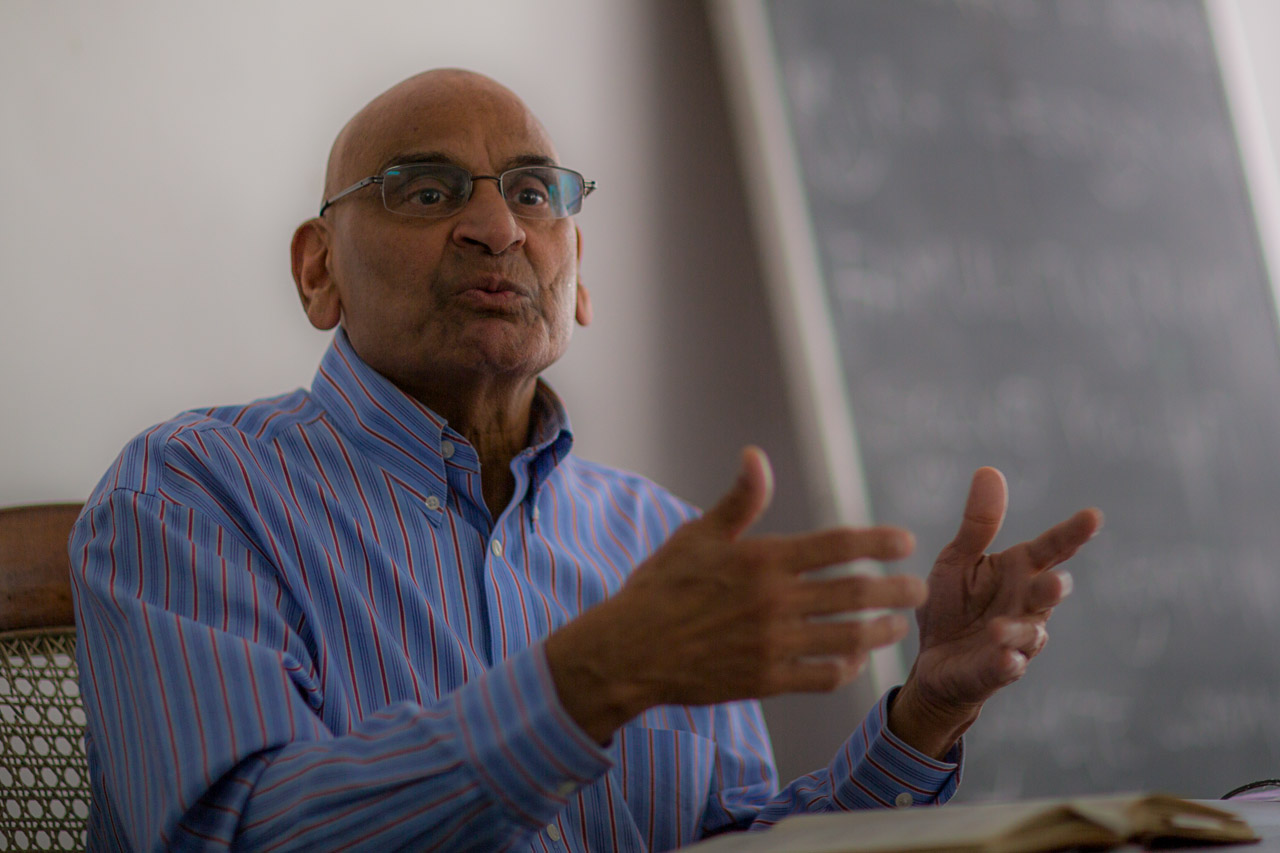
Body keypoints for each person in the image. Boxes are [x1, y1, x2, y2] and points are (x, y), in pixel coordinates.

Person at [69, 68, 1102, 851]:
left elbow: (725, 845)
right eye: (424, 193)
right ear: (317, 269)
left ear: (579, 277)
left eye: (533, 193)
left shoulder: (658, 539)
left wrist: (923, 718)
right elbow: (234, 833)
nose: (496, 228)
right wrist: (584, 682)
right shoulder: (192, 494)